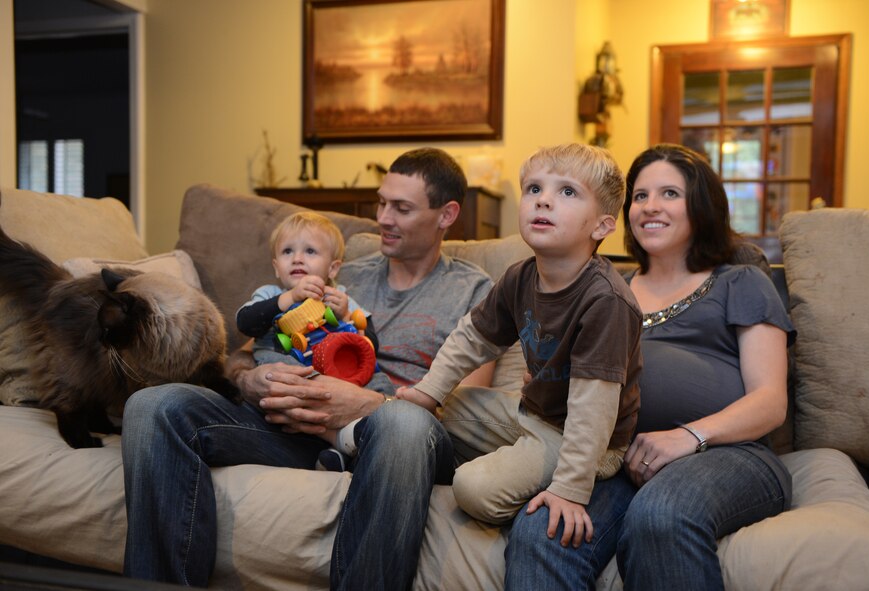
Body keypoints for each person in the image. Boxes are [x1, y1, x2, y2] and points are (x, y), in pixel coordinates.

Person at [120, 147, 495, 590]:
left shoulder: (474, 291)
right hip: (297, 428)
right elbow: (244, 352)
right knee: (154, 406)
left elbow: (466, 415)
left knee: (402, 424)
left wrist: (369, 404)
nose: (383, 218)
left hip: (398, 440)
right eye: (381, 203)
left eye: (402, 208)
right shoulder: (335, 274)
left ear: (446, 214)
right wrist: (249, 379)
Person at [504, 143, 795, 591]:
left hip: (728, 455)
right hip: (617, 460)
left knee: (661, 513)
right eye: (640, 196)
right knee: (543, 529)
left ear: (702, 206)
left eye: (669, 194)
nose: (650, 207)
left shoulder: (741, 281)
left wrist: (687, 437)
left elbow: (771, 401)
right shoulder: (601, 289)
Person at [397, 144, 642, 549]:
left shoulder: (606, 301)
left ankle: (514, 473)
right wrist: (428, 392)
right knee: (414, 415)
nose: (543, 199)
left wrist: (570, 488)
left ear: (602, 226)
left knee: (472, 488)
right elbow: (473, 338)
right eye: (534, 189)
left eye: (567, 192)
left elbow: (593, 409)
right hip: (530, 414)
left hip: (587, 443)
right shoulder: (520, 276)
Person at [235, 210, 392, 471]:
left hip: (337, 374)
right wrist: (289, 298)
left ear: (333, 268)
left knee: (379, 381)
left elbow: (371, 346)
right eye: (287, 251)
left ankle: (339, 452)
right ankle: (338, 443)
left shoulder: (339, 298)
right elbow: (245, 322)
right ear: (276, 266)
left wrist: (345, 316)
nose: (297, 258)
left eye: (310, 251)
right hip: (288, 366)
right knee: (284, 373)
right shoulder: (271, 293)